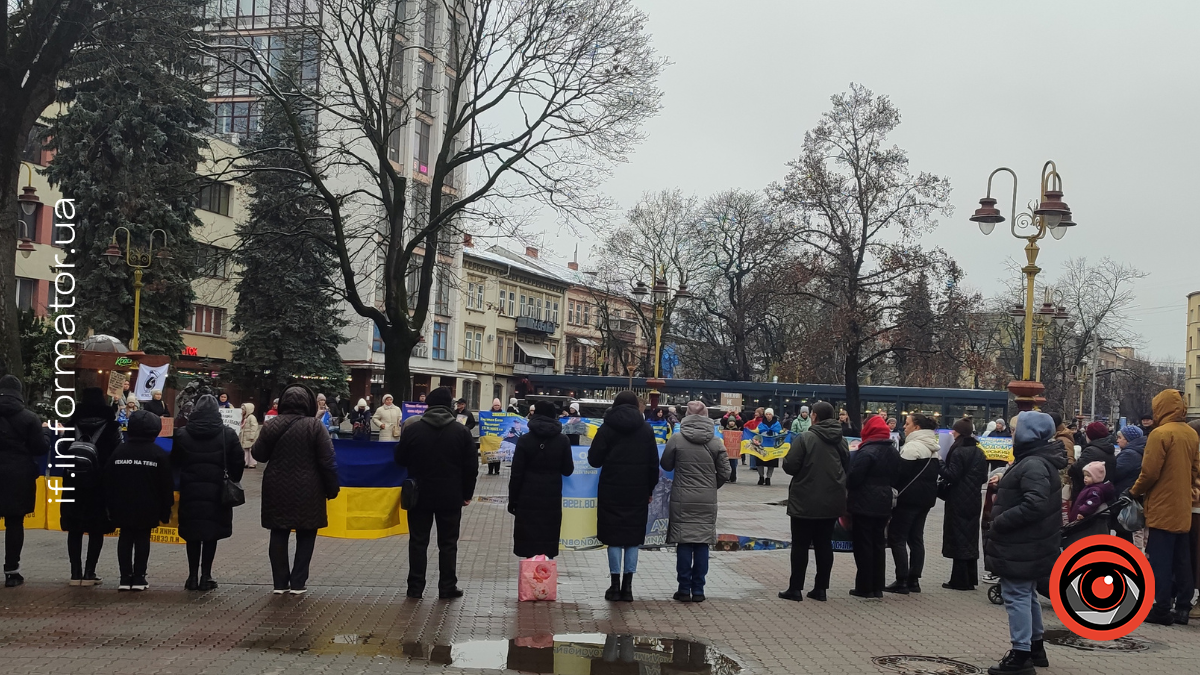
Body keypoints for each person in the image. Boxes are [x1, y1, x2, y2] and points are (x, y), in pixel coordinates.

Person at [984, 411, 1065, 675]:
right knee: (1026, 594)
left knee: (1017, 596)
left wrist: (1001, 521)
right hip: (1031, 542)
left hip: (1022, 543)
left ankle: (1021, 655)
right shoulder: (1035, 460)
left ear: (1028, 433)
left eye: (1015, 429)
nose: (1011, 434)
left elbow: (1035, 503)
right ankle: (1034, 647)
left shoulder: (1033, 463)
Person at [252, 384, 340, 595]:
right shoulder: (315, 426)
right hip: (309, 487)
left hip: (276, 486)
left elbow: (258, 454)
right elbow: (327, 461)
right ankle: (298, 583)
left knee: (278, 532)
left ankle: (280, 583)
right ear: (308, 403)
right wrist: (332, 488)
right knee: (307, 533)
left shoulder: (272, 425)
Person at [394, 386, 477, 599]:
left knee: (418, 541)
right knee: (448, 543)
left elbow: (400, 459)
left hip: (418, 495)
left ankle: (415, 588)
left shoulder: (414, 429)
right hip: (451, 495)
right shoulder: (462, 432)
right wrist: (467, 493)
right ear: (450, 406)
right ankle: (447, 586)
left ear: (428, 405)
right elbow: (471, 467)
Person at [1130, 389, 1200, 626]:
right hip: (1183, 505)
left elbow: (1149, 472)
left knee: (1160, 559)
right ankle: (1183, 607)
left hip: (1162, 505)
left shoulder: (1160, 434)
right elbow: (1194, 470)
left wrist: (1134, 491)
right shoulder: (1190, 433)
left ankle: (1161, 608)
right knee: (1182, 559)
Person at [588, 391, 659, 602]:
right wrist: (649, 490)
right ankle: (628, 588)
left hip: (611, 490)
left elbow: (594, 459)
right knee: (632, 540)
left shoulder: (606, 428)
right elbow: (653, 464)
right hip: (637, 491)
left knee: (614, 539)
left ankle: (613, 586)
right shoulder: (646, 429)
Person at [172, 395, 245, 591]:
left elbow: (174, 462)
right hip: (217, 492)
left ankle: (192, 577)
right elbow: (238, 461)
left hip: (191, 490)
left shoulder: (182, 434)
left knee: (192, 533)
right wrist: (232, 478)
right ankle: (206, 576)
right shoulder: (227, 434)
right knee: (211, 534)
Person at [779, 401, 849, 602]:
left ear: (815, 416)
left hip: (805, 499)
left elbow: (790, 466)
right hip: (832, 500)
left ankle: (795, 589)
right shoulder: (841, 440)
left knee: (800, 545)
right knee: (824, 544)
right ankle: (821, 589)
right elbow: (847, 465)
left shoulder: (805, 438)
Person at [661, 401, 730, 603]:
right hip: (706, 498)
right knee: (702, 542)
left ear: (687, 417)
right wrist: (711, 486)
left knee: (684, 541)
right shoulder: (716, 442)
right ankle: (698, 590)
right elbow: (726, 472)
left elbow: (666, 464)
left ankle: (683, 589)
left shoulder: (677, 439)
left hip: (682, 498)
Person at [103, 411, 175, 591]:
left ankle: (125, 577)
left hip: (122, 504)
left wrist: (109, 504)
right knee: (143, 538)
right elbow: (166, 484)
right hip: (148, 505)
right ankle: (139, 577)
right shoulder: (158, 453)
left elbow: (108, 479)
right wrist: (166, 509)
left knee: (125, 537)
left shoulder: (119, 451)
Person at [61, 388, 120, 586]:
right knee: (96, 528)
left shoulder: (72, 424)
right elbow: (116, 453)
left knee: (74, 529)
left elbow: (62, 450)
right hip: (99, 483)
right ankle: (89, 572)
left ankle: (74, 573)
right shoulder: (111, 426)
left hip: (73, 483)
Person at [508, 400, 574, 559]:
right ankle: (545, 571)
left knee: (529, 541)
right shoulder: (563, 440)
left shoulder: (524, 440)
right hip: (551, 496)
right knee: (547, 539)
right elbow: (568, 470)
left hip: (527, 496)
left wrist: (513, 501)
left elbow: (516, 473)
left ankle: (529, 572)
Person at [0, 375, 48, 587]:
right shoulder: (29, 418)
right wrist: (45, 433)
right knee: (14, 522)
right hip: (18, 475)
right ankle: (12, 571)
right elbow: (40, 448)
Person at [885, 413, 941, 595]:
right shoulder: (933, 448)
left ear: (917, 427)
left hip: (907, 499)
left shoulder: (912, 447)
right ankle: (914, 579)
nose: (904, 426)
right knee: (916, 538)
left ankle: (901, 580)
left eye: (907, 423)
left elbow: (899, 474)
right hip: (926, 499)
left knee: (897, 538)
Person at [846, 415, 900, 598]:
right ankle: (878, 586)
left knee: (863, 545)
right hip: (884, 502)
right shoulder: (893, 451)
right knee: (878, 543)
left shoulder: (866, 451)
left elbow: (854, 478)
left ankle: (864, 587)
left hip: (863, 502)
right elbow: (897, 476)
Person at [940, 418, 989, 591]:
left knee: (958, 537)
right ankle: (970, 578)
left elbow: (952, 475)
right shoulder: (979, 452)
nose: (952, 433)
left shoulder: (958, 451)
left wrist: (939, 463)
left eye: (954, 430)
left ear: (960, 432)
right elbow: (983, 477)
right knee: (969, 537)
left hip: (958, 499)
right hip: (974, 499)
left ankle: (959, 580)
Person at [1066, 461, 1115, 546]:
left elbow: (1092, 503)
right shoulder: (1090, 487)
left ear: (1096, 477)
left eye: (1088, 476)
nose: (1085, 478)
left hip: (1083, 518)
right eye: (1084, 475)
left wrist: (1083, 512)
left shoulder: (1095, 490)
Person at [1070, 421, 1116, 501]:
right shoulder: (1109, 449)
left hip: (1088, 495)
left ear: (1090, 436)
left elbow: (1075, 470)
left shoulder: (1090, 451)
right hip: (1104, 493)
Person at [750, 408, 782, 486]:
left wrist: (782, 432)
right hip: (762, 446)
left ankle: (768, 478)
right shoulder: (761, 423)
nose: (768, 416)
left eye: (769, 414)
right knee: (760, 462)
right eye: (767, 414)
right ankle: (761, 477)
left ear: (772, 415)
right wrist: (749, 431)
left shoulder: (777, 424)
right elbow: (757, 431)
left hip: (772, 446)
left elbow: (780, 432)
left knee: (771, 463)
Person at [240, 403, 260, 469]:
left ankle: (252, 463)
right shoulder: (244, 417)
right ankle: (245, 462)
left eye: (243, 409)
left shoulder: (251, 417)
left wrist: (252, 436)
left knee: (251, 450)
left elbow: (254, 427)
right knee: (245, 450)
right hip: (245, 436)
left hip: (249, 437)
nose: (242, 410)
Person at [722, 416, 742, 483]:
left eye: (733, 421)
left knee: (733, 465)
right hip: (726, 450)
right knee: (726, 465)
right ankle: (727, 477)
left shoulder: (737, 430)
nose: (732, 423)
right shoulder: (725, 429)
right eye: (730, 421)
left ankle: (733, 478)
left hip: (734, 451)